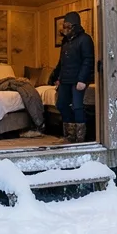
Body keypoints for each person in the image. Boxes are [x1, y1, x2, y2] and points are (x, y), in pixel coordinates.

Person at [48, 11, 94, 143]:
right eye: (64, 26)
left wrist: (82, 79)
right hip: (65, 79)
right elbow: (62, 62)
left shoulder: (85, 39)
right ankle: (69, 135)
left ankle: (80, 138)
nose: (65, 29)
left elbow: (88, 60)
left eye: (68, 26)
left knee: (77, 106)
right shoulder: (66, 42)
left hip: (78, 80)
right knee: (61, 104)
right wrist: (57, 78)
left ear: (75, 26)